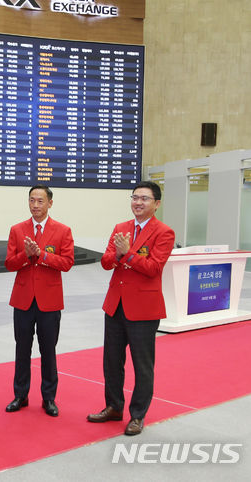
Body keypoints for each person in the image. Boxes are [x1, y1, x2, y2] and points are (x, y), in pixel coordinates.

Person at [87, 181, 175, 435]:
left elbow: (154, 268)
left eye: (144, 198)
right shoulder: (120, 228)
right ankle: (113, 407)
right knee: (112, 362)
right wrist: (117, 255)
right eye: (135, 197)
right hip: (115, 306)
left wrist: (128, 254)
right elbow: (105, 262)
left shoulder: (164, 232)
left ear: (156, 204)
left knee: (142, 364)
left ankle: (137, 415)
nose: (138, 202)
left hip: (144, 309)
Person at [4, 185, 74, 417]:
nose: (35, 205)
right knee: (22, 349)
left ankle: (49, 398)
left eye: (40, 201)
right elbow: (9, 263)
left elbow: (66, 263)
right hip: (23, 300)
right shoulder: (17, 229)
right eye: (32, 200)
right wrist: (27, 255)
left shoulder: (63, 231)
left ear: (50, 203)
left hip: (49, 301)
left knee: (48, 350)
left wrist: (41, 255)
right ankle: (20, 395)